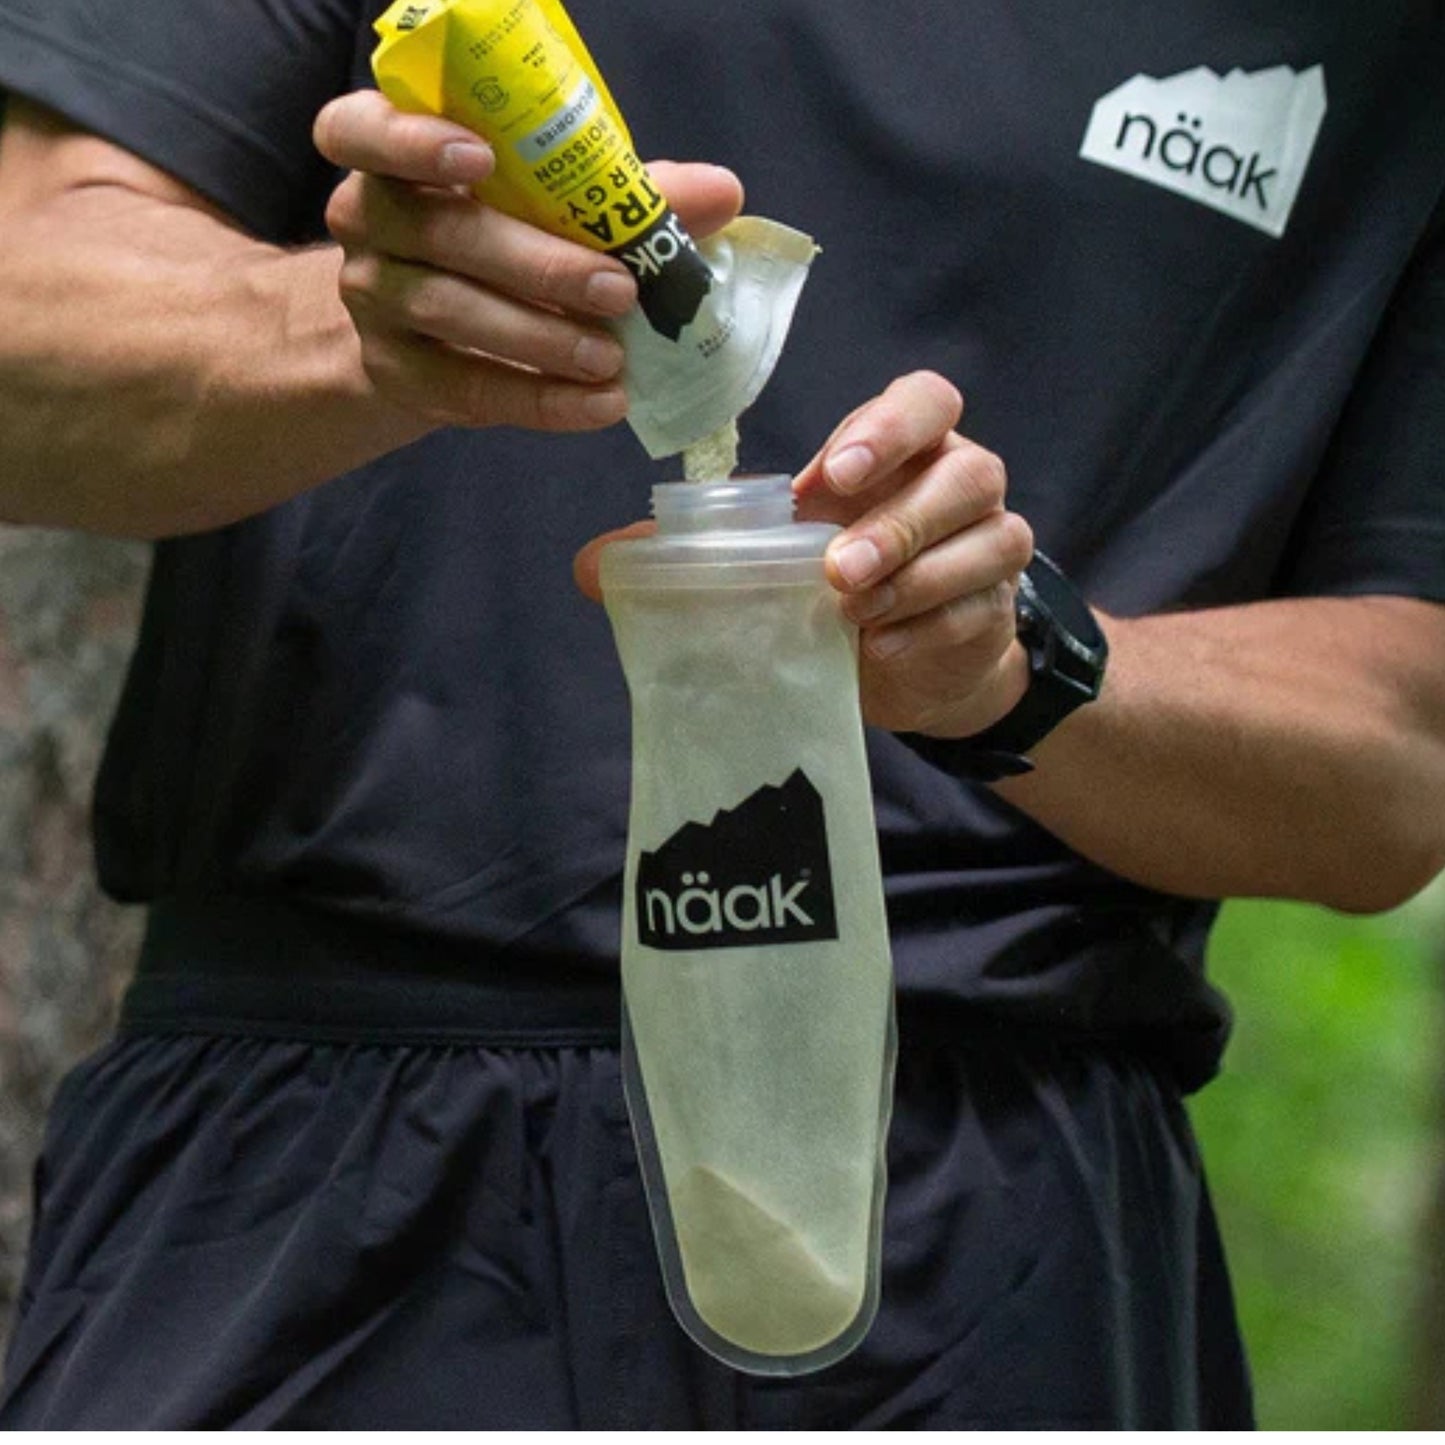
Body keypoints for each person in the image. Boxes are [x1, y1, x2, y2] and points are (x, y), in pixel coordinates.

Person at [0, 0, 1443, 1427]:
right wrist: (366, 327)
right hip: (318, 1150)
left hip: (996, 1206)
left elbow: (1399, 753)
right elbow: (27, 326)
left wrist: (1021, 665)